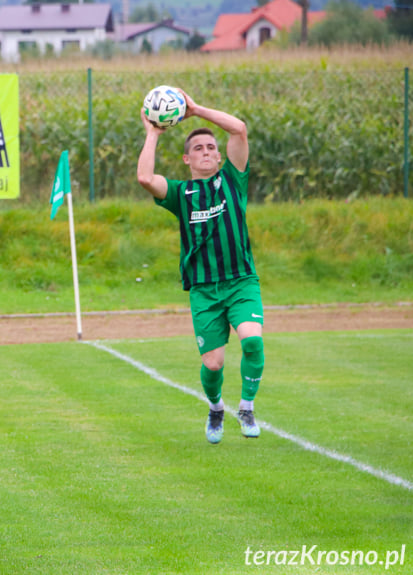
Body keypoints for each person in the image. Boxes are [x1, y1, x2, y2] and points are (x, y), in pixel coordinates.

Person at [137, 90, 265, 445]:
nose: (206, 152)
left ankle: (247, 406)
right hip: (204, 290)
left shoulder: (232, 181)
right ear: (187, 159)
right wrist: (152, 133)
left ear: (219, 155)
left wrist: (195, 111)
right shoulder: (180, 194)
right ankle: (215, 407)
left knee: (252, 342)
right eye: (198, 149)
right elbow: (146, 178)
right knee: (212, 365)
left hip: (241, 281)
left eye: (211, 147)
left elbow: (238, 129)